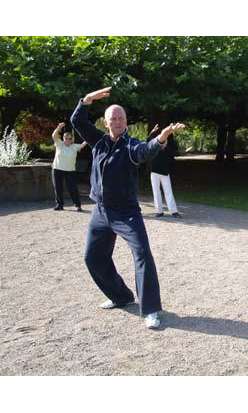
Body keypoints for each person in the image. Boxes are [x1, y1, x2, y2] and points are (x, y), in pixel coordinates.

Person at [70, 87, 186, 329]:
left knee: (142, 254)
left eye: (121, 118)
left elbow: (144, 151)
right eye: (113, 118)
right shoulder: (98, 140)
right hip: (101, 211)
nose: (118, 121)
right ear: (106, 122)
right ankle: (120, 296)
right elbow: (77, 120)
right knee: (93, 257)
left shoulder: (131, 145)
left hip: (126, 212)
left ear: (126, 122)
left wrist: (161, 138)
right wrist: (87, 100)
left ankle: (151, 309)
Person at [147, 124, 182, 218]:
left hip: (164, 173)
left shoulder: (168, 150)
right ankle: (159, 211)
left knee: (168, 192)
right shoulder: (155, 148)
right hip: (154, 173)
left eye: (166, 141)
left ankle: (174, 211)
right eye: (163, 141)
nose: (164, 142)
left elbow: (177, 153)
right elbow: (148, 141)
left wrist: (186, 151)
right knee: (156, 192)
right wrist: (152, 131)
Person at [51, 123, 87, 211]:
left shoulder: (75, 147)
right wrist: (58, 127)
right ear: (63, 139)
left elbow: (84, 144)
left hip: (70, 171)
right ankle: (59, 205)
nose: (67, 140)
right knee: (58, 188)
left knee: (73, 188)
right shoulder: (59, 144)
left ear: (72, 140)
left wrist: (89, 135)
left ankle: (78, 205)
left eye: (70, 139)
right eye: (66, 138)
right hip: (57, 169)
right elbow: (54, 136)